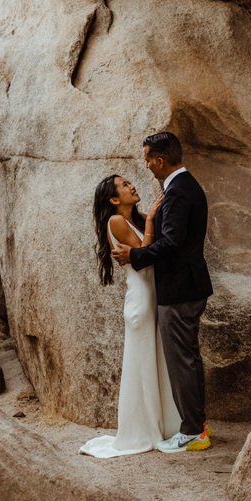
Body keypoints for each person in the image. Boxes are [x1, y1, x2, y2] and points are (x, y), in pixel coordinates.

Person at [112, 131, 213, 453]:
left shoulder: (179, 192)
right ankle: (197, 425)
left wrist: (135, 256)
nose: (146, 166)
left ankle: (194, 431)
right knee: (188, 359)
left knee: (182, 361)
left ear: (159, 160)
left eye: (147, 160)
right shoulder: (183, 188)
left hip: (180, 289)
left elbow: (172, 244)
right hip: (187, 286)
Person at [80, 174, 183, 457]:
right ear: (114, 200)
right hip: (140, 301)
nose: (131, 185)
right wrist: (150, 221)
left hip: (152, 297)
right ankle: (144, 429)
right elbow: (146, 255)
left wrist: (148, 221)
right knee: (142, 366)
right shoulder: (115, 222)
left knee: (155, 361)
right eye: (124, 185)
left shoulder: (134, 220)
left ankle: (163, 425)